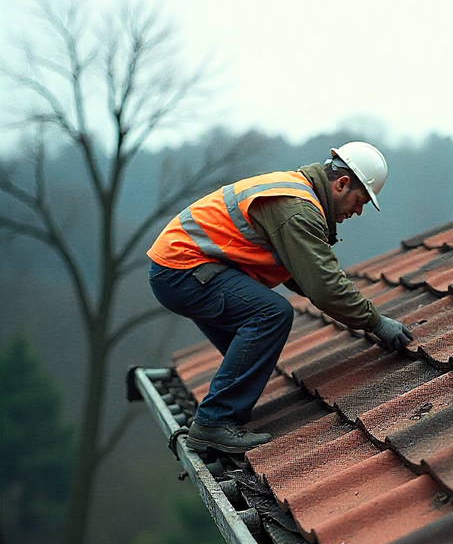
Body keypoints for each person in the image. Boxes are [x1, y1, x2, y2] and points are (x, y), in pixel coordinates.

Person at [147, 141, 413, 454]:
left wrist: (355, 310)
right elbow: (323, 287)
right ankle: (214, 422)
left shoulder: (295, 192)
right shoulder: (298, 209)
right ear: (341, 184)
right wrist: (376, 323)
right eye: (360, 200)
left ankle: (224, 411)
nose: (357, 211)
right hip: (183, 271)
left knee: (253, 344)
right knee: (271, 315)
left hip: (181, 268)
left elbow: (303, 276)